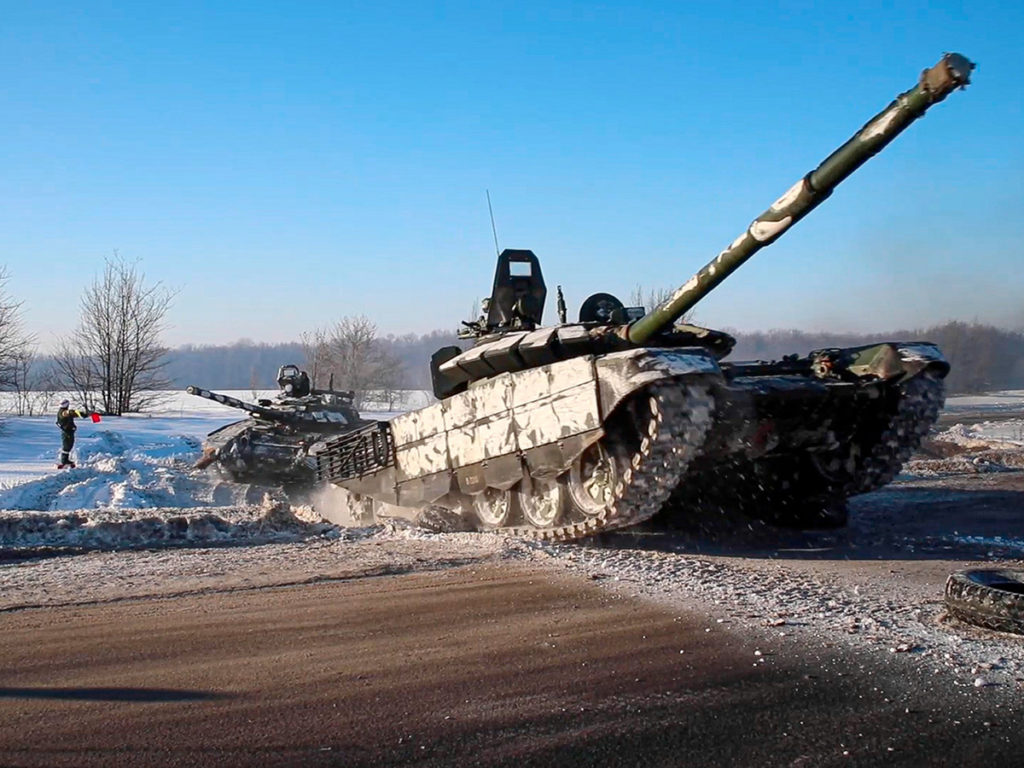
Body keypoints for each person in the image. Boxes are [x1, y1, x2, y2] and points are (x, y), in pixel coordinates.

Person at [56, 400, 95, 469]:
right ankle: (64, 461)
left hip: (69, 431)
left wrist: (82, 414)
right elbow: (69, 413)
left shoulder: (62, 411)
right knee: (67, 446)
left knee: (69, 445)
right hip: (67, 432)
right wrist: (77, 413)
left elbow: (71, 414)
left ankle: (65, 460)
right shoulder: (62, 412)